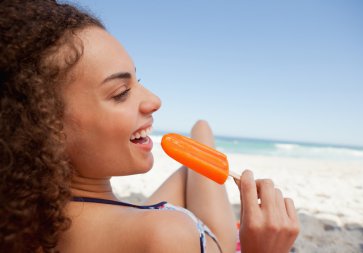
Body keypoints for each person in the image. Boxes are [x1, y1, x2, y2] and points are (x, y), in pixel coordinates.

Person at [0, 1, 299, 252]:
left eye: (137, 80)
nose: (155, 101)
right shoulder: (166, 234)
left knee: (197, 143)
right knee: (201, 134)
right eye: (120, 93)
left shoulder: (26, 216)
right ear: (44, 127)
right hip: (216, 241)